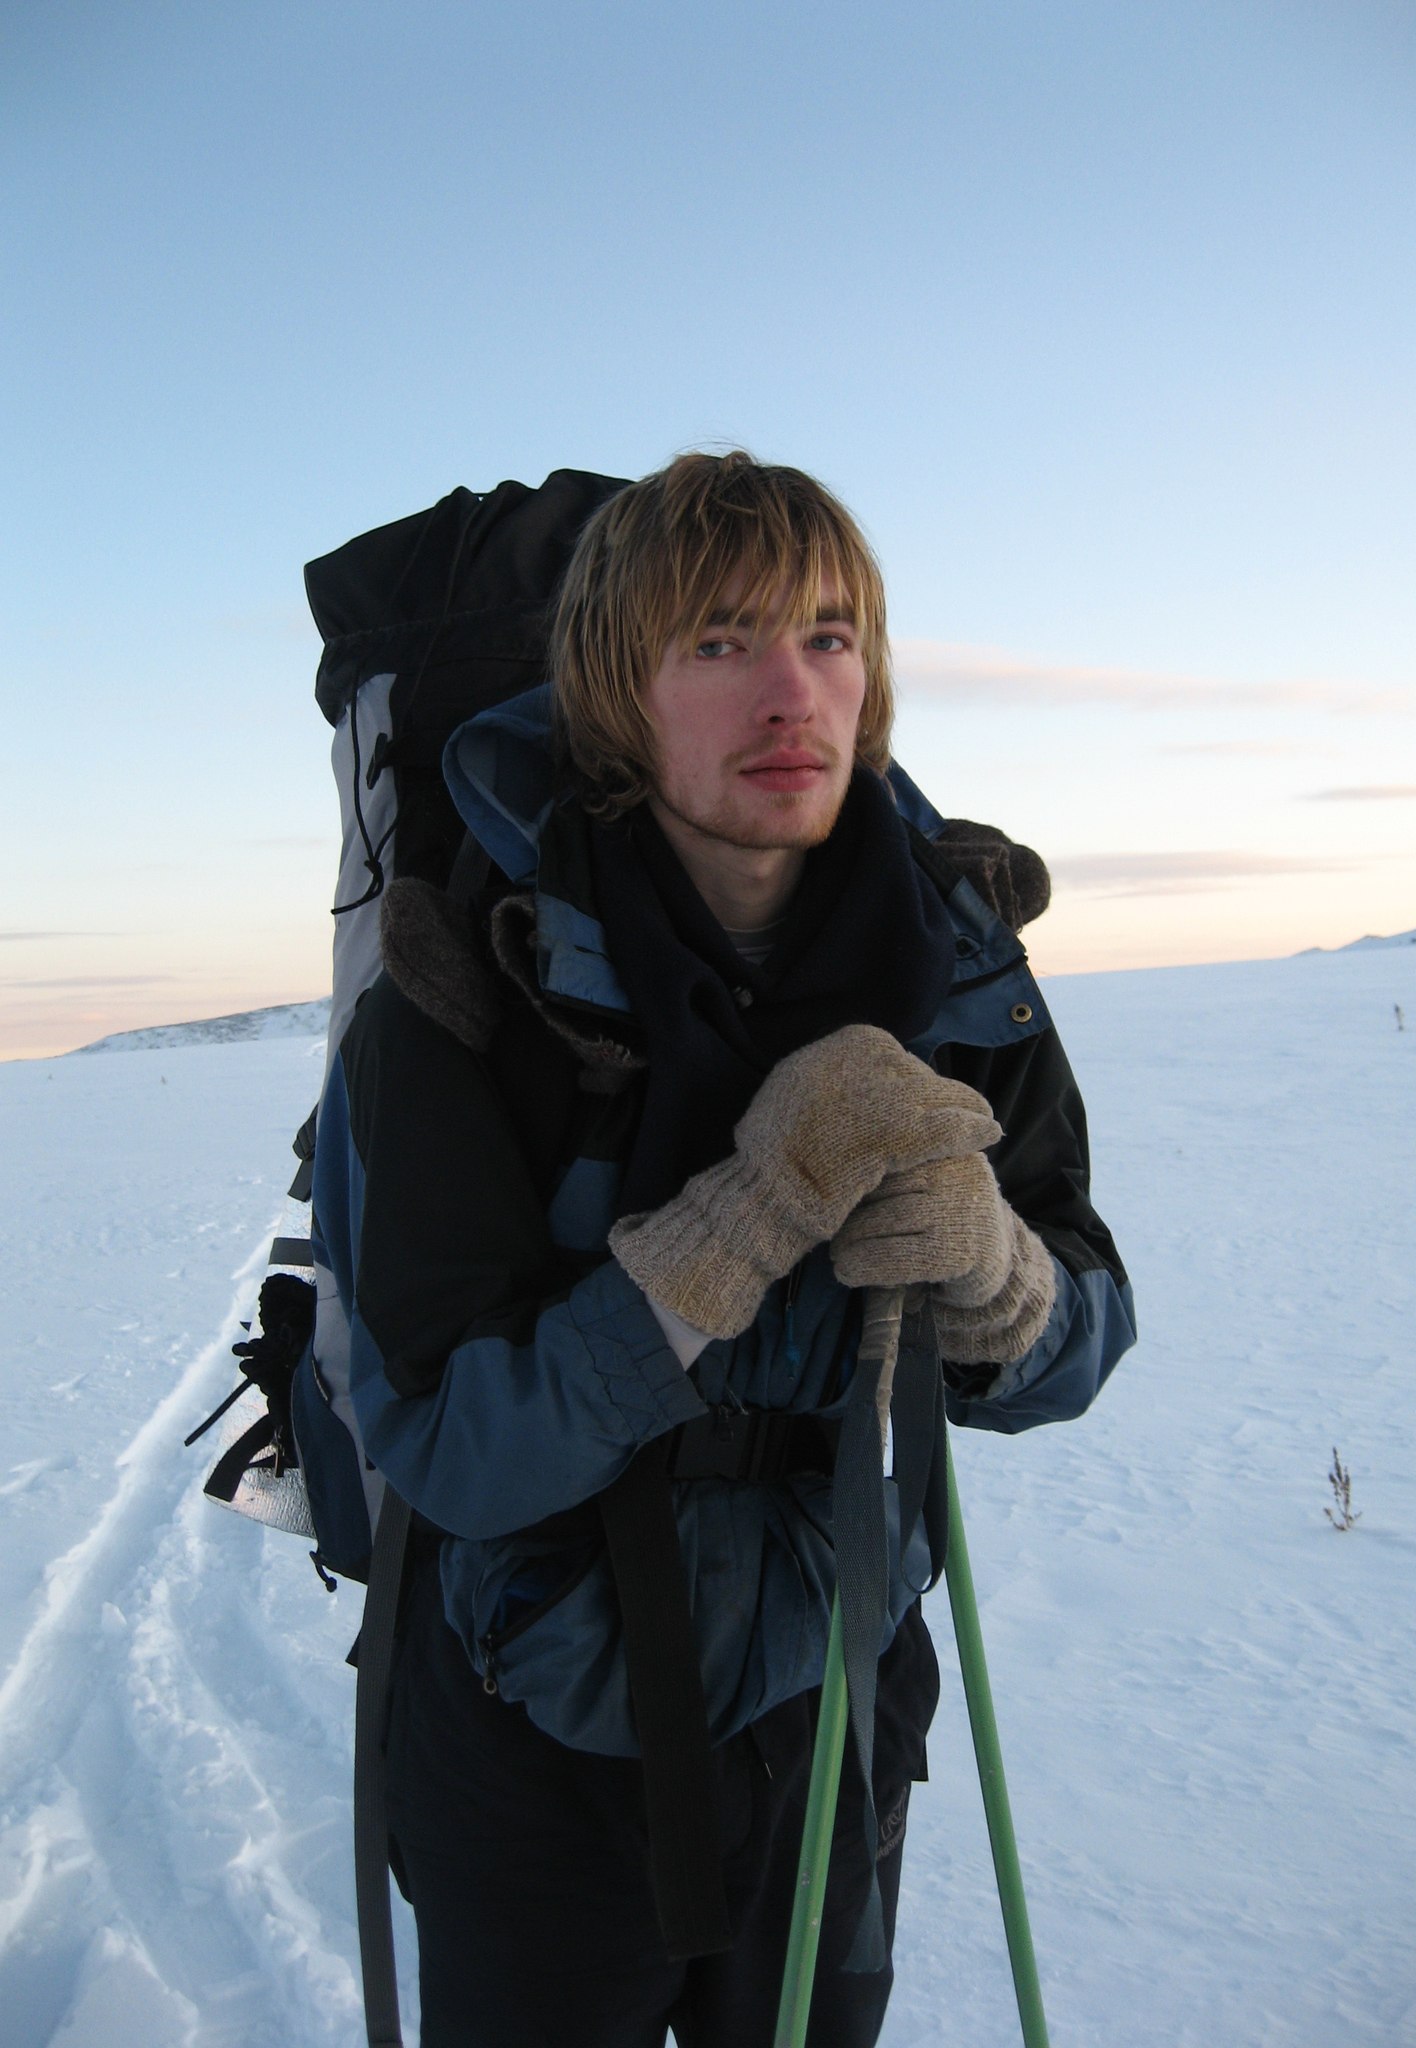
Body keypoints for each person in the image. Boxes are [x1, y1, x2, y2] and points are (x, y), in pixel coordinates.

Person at [311, 450, 1135, 2047]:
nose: (790, 692)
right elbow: (455, 1445)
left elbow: (1081, 1332)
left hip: (836, 1692)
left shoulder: (961, 972)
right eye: (719, 640)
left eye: (829, 637)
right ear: (616, 692)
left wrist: (998, 1278)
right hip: (533, 1732)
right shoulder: (464, 994)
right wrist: (736, 1227)